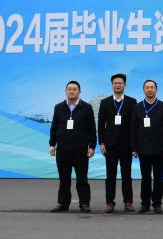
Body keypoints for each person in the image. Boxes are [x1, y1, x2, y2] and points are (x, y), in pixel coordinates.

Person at [48, 80, 97, 213]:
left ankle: (84, 204)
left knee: (82, 179)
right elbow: (54, 127)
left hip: (81, 150)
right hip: (62, 150)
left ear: (79, 92)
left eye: (74, 89)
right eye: (69, 89)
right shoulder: (59, 107)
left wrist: (92, 146)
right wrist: (52, 144)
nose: (71, 91)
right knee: (64, 179)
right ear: (65, 91)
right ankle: (63, 204)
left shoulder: (86, 107)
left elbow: (92, 129)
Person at [129, 79, 163, 214]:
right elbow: (133, 129)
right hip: (143, 148)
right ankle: (145, 204)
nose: (149, 89)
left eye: (152, 87)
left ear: (156, 90)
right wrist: (133, 148)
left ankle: (157, 203)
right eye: (147, 87)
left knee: (158, 178)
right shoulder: (137, 107)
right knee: (146, 178)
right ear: (143, 90)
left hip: (159, 148)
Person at [97, 73, 137, 213]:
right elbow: (101, 124)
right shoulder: (105, 102)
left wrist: (134, 145)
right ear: (112, 85)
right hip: (110, 145)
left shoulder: (132, 102)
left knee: (127, 175)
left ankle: (128, 202)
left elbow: (134, 125)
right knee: (110, 175)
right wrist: (102, 142)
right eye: (115, 83)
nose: (118, 85)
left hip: (126, 145)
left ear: (124, 85)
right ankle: (110, 202)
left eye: (120, 83)